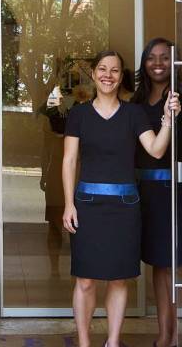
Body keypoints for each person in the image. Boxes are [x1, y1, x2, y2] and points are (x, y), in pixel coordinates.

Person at [62, 50, 180, 347]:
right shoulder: (79, 114)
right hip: (87, 206)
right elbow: (69, 161)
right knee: (85, 280)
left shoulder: (134, 114)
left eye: (114, 70)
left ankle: (112, 342)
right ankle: (85, 343)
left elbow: (156, 150)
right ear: (93, 74)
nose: (108, 75)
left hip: (125, 208)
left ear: (121, 76)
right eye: (102, 69)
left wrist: (167, 119)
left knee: (118, 279)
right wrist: (68, 204)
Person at [134, 37, 180, 347]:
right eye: (152, 57)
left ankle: (170, 336)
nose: (159, 63)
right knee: (160, 264)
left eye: (165, 57)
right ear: (144, 63)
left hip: (175, 189)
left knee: (172, 264)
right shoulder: (136, 101)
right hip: (147, 192)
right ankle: (165, 334)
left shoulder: (178, 97)